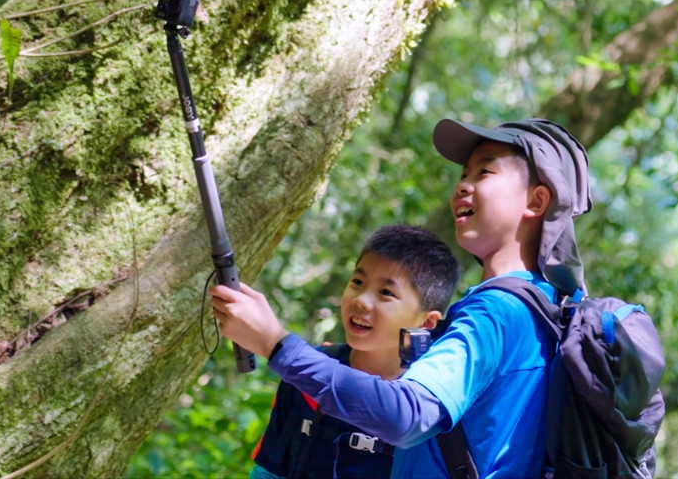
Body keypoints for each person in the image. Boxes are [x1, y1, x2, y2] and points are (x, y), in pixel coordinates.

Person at [211, 117, 592, 478]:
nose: (462, 185)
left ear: (537, 201)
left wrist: (277, 346)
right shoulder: (548, 308)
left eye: (484, 172)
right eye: (463, 175)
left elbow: (408, 414)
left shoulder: (496, 311)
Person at [249, 224, 461, 479]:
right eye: (358, 282)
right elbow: (269, 470)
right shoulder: (305, 371)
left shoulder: (425, 403)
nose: (360, 300)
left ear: (426, 322)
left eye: (386, 292)